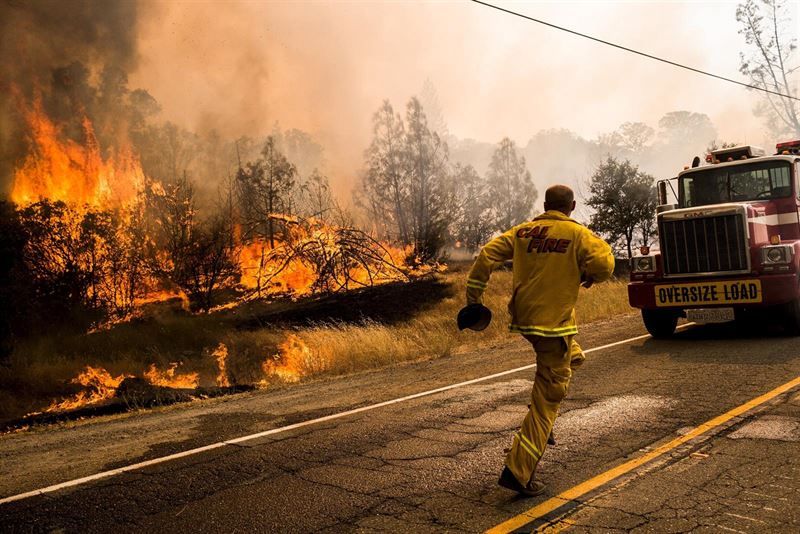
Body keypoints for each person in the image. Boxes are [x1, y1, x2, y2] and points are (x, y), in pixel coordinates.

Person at [464, 184, 614, 496]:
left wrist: (473, 300)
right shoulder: (578, 234)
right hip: (553, 329)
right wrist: (589, 274)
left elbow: (487, 254)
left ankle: (543, 419)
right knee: (549, 399)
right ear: (572, 206)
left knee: (572, 357)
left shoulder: (523, 233)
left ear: (545, 205)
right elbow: (604, 265)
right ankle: (519, 470)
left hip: (528, 323)